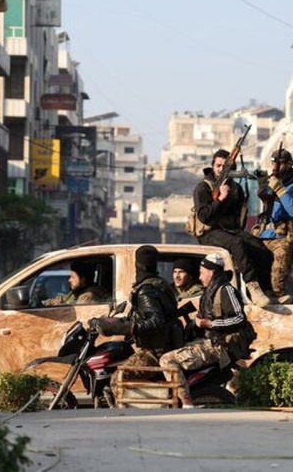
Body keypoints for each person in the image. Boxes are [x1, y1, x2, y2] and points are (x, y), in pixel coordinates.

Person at [159, 253, 250, 409]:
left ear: (212, 271)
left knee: (168, 360)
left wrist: (212, 324)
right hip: (206, 340)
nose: (200, 277)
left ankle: (186, 404)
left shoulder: (226, 290)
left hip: (218, 344)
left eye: (202, 272)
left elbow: (239, 319)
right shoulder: (209, 292)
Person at [193, 149, 273, 307]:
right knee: (237, 244)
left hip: (231, 230)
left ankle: (267, 291)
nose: (222, 169)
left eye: (226, 166)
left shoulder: (236, 189)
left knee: (262, 250)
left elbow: (239, 216)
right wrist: (221, 199)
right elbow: (203, 216)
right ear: (213, 166)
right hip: (210, 232)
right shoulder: (203, 187)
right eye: (218, 165)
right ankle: (252, 286)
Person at [90, 245, 182, 379]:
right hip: (164, 344)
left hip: (156, 350)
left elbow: (156, 320)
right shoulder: (159, 283)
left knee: (117, 380)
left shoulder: (146, 290)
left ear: (138, 265)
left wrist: (129, 327)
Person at [254, 149, 293, 303]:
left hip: (282, 236)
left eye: (280, 163)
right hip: (264, 233)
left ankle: (278, 296)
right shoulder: (273, 181)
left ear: (289, 164)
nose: (275, 166)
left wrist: (280, 190)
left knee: (278, 273)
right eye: (273, 162)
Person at [43, 262, 107, 306]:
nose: (69, 280)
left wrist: (61, 307)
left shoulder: (87, 296)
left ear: (82, 280)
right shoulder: (76, 292)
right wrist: (46, 302)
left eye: (73, 277)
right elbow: (63, 299)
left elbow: (77, 312)